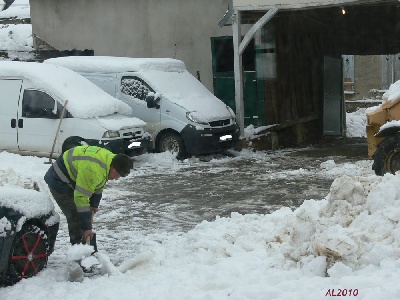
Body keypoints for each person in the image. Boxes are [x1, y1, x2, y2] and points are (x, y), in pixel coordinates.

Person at [44, 145, 133, 249]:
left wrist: (94, 205)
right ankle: (79, 250)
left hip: (73, 177)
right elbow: (81, 198)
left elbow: (98, 185)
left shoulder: (108, 161)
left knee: (83, 215)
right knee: (76, 215)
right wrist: (87, 228)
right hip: (59, 180)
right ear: (113, 167)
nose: (117, 178)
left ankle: (84, 244)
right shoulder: (93, 170)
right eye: (117, 174)